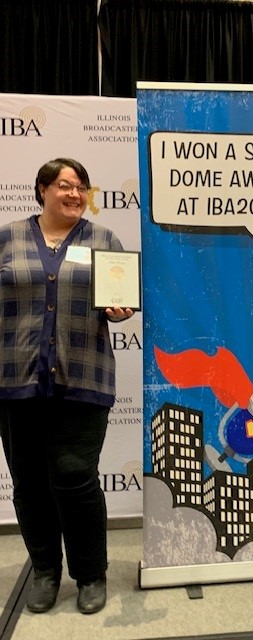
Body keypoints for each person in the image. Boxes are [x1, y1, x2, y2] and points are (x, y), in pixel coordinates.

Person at [0, 158, 134, 614]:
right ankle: (44, 571)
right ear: (42, 190)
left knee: (76, 479)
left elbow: (120, 298)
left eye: (80, 187)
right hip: (16, 380)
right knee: (29, 484)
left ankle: (90, 573)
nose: (74, 194)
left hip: (83, 376)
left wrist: (120, 310)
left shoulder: (104, 240)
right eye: (64, 185)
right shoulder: (8, 238)